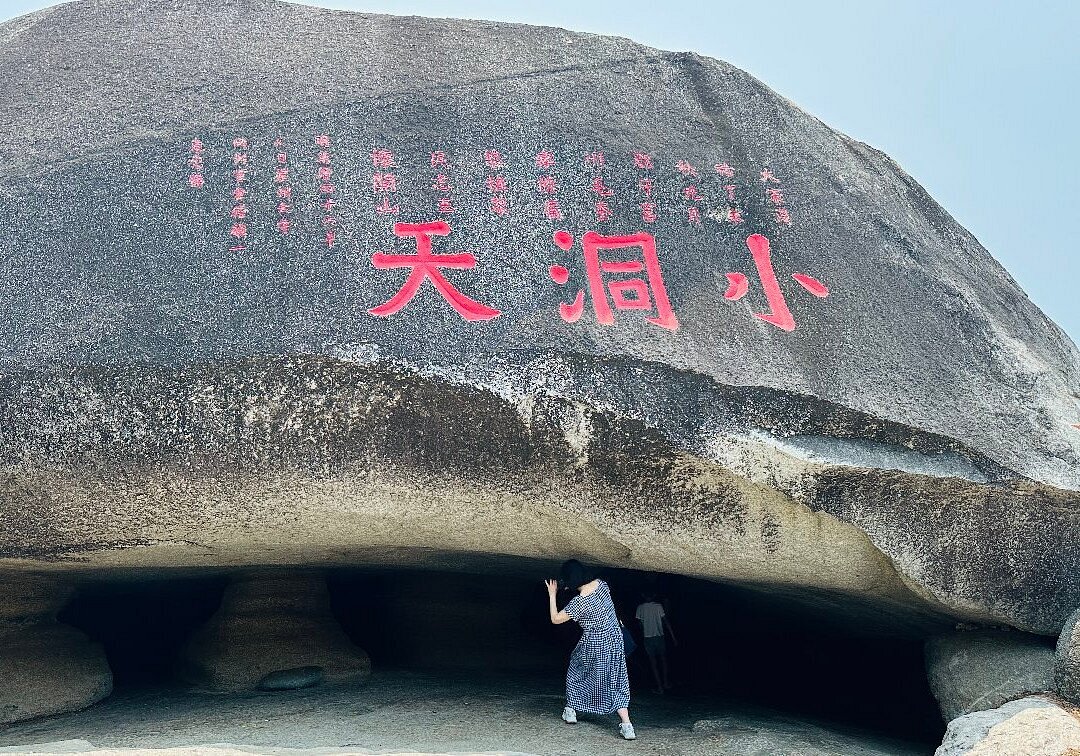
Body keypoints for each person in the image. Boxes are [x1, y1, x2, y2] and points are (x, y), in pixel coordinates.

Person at [544, 560, 635, 740]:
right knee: (616, 679)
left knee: (577, 671)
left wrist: (552, 594)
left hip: (595, 642)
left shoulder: (579, 603)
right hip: (615, 639)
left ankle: (571, 710)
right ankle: (627, 725)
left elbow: (555, 619)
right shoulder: (602, 585)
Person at [635, 593, 677, 693]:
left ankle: (660, 687)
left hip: (648, 638)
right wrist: (673, 637)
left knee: (654, 664)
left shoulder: (640, 608)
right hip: (659, 636)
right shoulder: (658, 606)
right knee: (663, 661)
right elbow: (665, 621)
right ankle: (665, 683)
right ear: (653, 595)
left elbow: (640, 624)